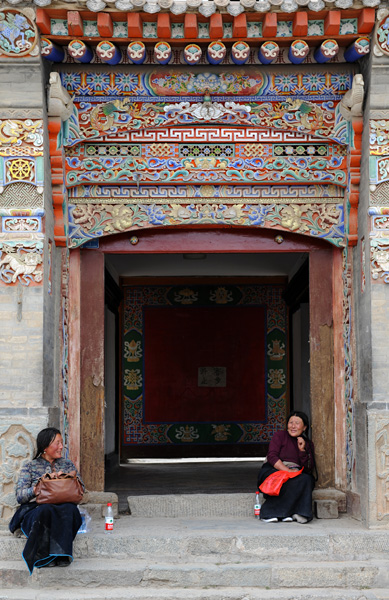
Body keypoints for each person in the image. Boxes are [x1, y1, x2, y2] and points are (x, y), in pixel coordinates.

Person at [9, 427, 84, 574]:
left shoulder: (67, 465)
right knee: (46, 509)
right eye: (57, 443)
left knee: (71, 509)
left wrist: (66, 480)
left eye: (62, 443)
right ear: (45, 446)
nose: (61, 447)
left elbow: (81, 490)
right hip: (37, 510)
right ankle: (44, 556)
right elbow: (20, 496)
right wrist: (36, 489)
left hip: (63, 509)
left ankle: (61, 554)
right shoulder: (30, 467)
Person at [257, 411, 316, 524]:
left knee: (306, 479)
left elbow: (309, 468)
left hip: (295, 472)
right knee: (286, 480)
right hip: (274, 469)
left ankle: (298, 513)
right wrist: (287, 470)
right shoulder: (279, 436)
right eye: (290, 422)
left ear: (304, 427)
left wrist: (302, 450)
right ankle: (269, 513)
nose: (293, 426)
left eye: (297, 423)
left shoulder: (307, 443)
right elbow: (272, 456)